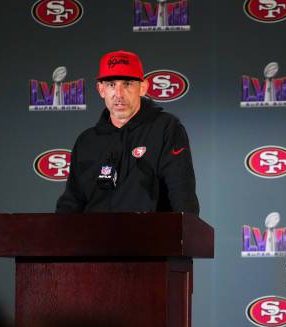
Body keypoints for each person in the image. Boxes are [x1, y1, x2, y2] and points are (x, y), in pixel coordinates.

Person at [56, 50, 199, 215]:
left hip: (150, 237)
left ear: (143, 88)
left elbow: (182, 194)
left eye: (127, 83)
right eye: (111, 84)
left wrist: (186, 234)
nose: (118, 94)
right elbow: (72, 201)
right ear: (101, 89)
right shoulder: (86, 141)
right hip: (94, 238)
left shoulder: (165, 128)